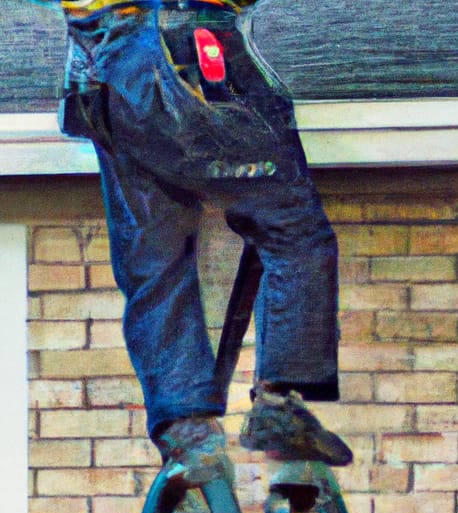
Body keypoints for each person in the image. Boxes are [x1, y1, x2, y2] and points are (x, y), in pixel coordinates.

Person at [58, 0, 352, 470]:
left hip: (105, 76)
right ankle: (278, 407)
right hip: (187, 54)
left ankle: (187, 427)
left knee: (154, 258)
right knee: (294, 232)